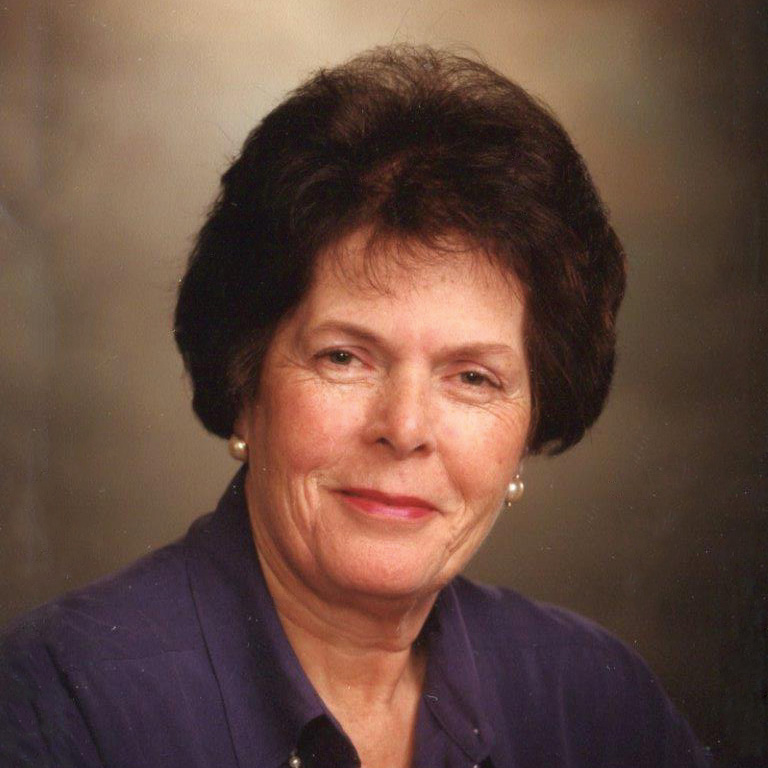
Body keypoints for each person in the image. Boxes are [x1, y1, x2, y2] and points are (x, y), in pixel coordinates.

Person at [0, 45, 710, 768]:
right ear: (245, 386)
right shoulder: (59, 705)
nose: (404, 429)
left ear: (529, 426)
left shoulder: (594, 700)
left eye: (473, 378)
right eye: (345, 357)